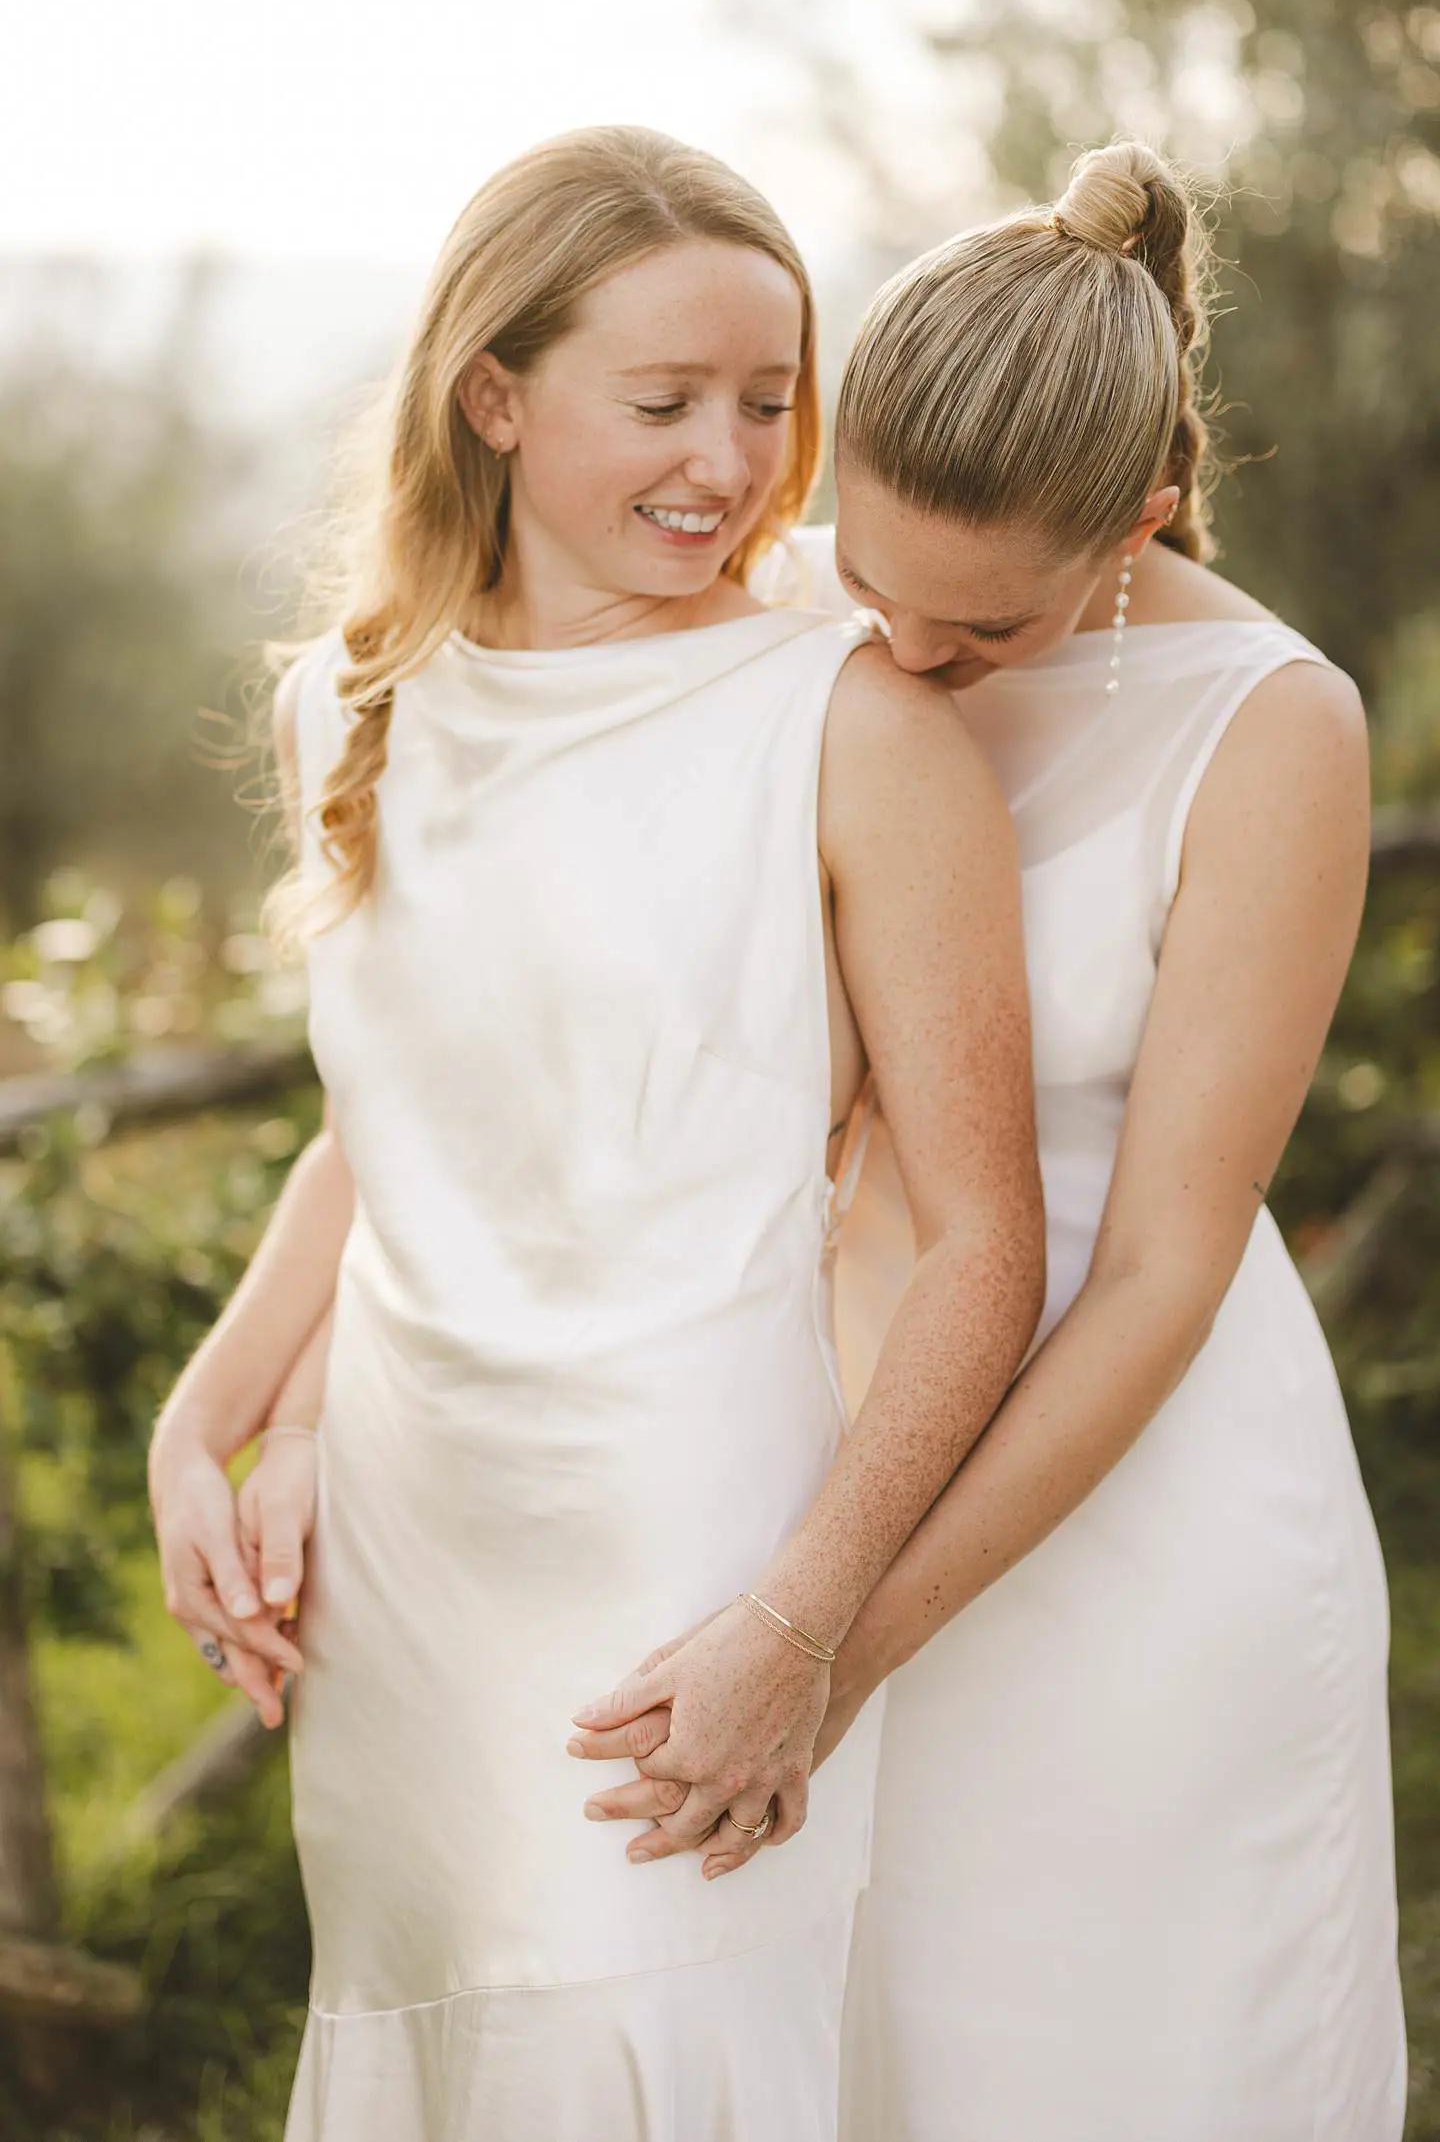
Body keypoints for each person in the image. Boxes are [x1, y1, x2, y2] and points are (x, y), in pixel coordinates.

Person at [147, 124, 1044, 2142]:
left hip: (689, 1552)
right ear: (493, 394)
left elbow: (992, 1242)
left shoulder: (854, 722)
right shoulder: (349, 706)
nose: (727, 465)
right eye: (662, 403)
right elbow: (387, 1133)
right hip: (403, 1557)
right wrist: (213, 1418)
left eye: (765, 402)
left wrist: (800, 1626)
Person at [573, 142, 1407, 2141]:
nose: (909, 660)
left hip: (1134, 1504)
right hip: (815, 1462)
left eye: (983, 633)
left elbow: (1164, 1269)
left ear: (1138, 516)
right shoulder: (772, 614)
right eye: (872, 585)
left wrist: (842, 1642)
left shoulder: (1275, 727)